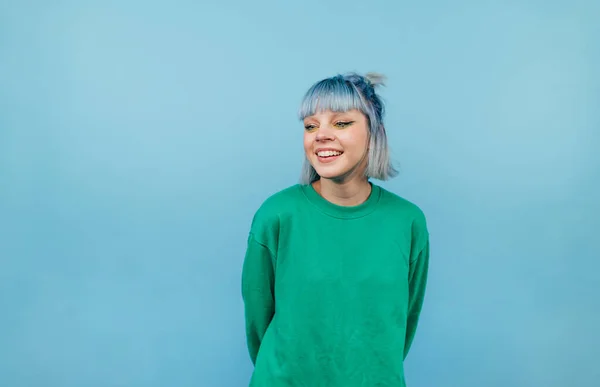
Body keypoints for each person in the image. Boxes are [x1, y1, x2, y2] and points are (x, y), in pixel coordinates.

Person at [241, 72, 430, 386]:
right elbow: (258, 319)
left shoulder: (407, 222)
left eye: (341, 123)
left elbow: (402, 324)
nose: (321, 135)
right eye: (311, 126)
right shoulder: (276, 215)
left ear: (374, 133)